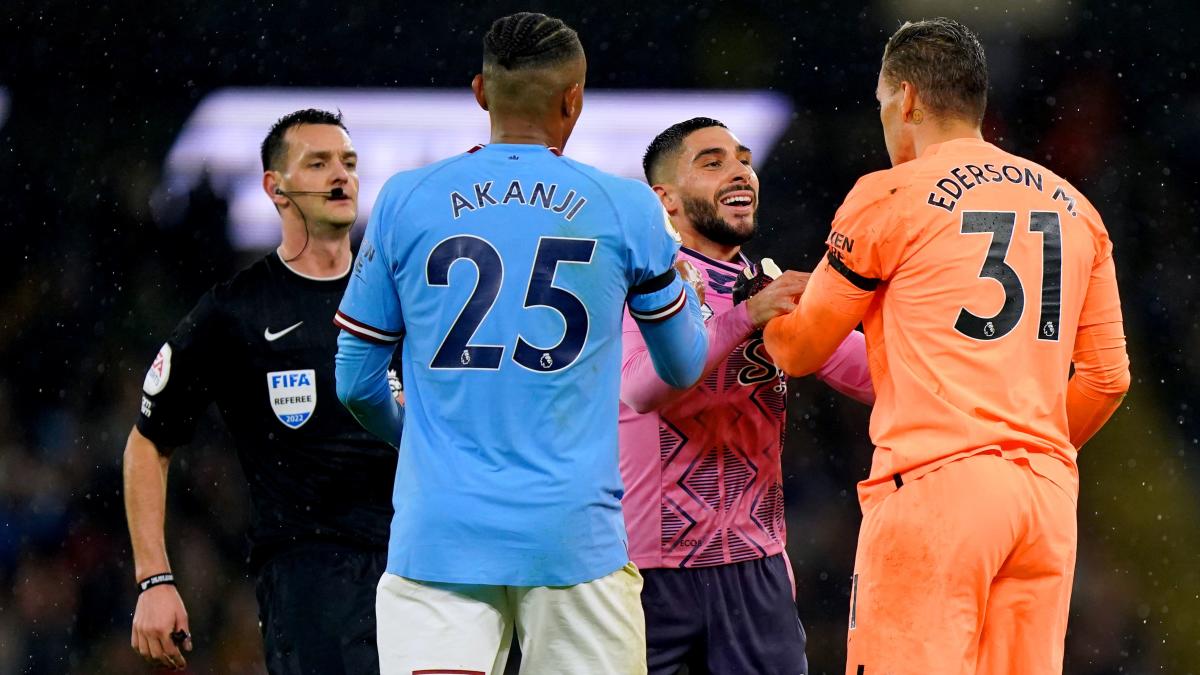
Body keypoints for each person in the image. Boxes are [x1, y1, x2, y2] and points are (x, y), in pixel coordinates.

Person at [333, 12, 708, 675]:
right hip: (573, 537)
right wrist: (692, 301)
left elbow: (355, 382)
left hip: (441, 533)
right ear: (574, 100)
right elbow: (682, 364)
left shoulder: (405, 199)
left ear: (481, 91)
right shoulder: (624, 206)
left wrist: (419, 435)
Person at [762, 18, 1131, 675]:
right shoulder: (1078, 210)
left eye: (880, 103)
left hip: (938, 488)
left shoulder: (890, 194)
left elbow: (798, 350)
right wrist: (1023, 444)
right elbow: (1107, 379)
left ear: (905, 100)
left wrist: (763, 309)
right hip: (1044, 499)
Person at [124, 109, 400, 674]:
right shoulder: (237, 311)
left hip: (422, 563)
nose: (340, 176)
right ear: (275, 187)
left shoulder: (403, 294)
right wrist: (155, 580)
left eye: (348, 163)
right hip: (310, 579)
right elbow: (147, 445)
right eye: (318, 163)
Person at [621, 117, 874, 675]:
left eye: (742, 159)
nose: (739, 173)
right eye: (712, 163)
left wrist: (874, 310)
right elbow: (642, 389)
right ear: (665, 198)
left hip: (754, 565)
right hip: (649, 571)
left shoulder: (768, 286)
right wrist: (743, 320)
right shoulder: (643, 281)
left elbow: (875, 376)